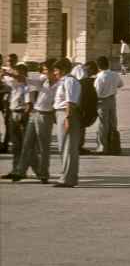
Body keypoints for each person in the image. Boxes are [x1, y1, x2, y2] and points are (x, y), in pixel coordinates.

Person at [4, 60, 57, 183]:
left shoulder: (60, 84)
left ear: (53, 70)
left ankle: (43, 174)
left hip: (46, 115)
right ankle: (20, 172)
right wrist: (10, 74)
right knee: (27, 144)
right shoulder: (43, 80)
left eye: (45, 70)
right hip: (35, 113)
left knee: (43, 147)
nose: (43, 72)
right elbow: (25, 80)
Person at [52, 58, 81, 187]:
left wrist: (68, 118)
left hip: (67, 114)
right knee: (64, 147)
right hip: (62, 114)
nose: (55, 73)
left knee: (68, 148)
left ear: (63, 70)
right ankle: (68, 177)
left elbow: (70, 101)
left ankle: (68, 179)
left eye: (56, 70)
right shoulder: (64, 81)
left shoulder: (70, 81)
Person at [93, 56, 123, 154]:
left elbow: (97, 93)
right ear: (108, 64)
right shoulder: (115, 74)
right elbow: (120, 84)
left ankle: (102, 147)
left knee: (103, 124)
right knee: (113, 123)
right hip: (112, 100)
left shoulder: (100, 77)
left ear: (98, 66)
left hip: (102, 101)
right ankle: (113, 145)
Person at [1, 64, 30, 162]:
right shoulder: (13, 82)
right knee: (15, 140)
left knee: (24, 139)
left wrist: (8, 73)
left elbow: (20, 77)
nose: (16, 74)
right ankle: (17, 162)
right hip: (14, 112)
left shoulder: (27, 82)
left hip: (23, 113)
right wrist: (3, 75)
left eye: (17, 71)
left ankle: (25, 160)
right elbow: (4, 81)